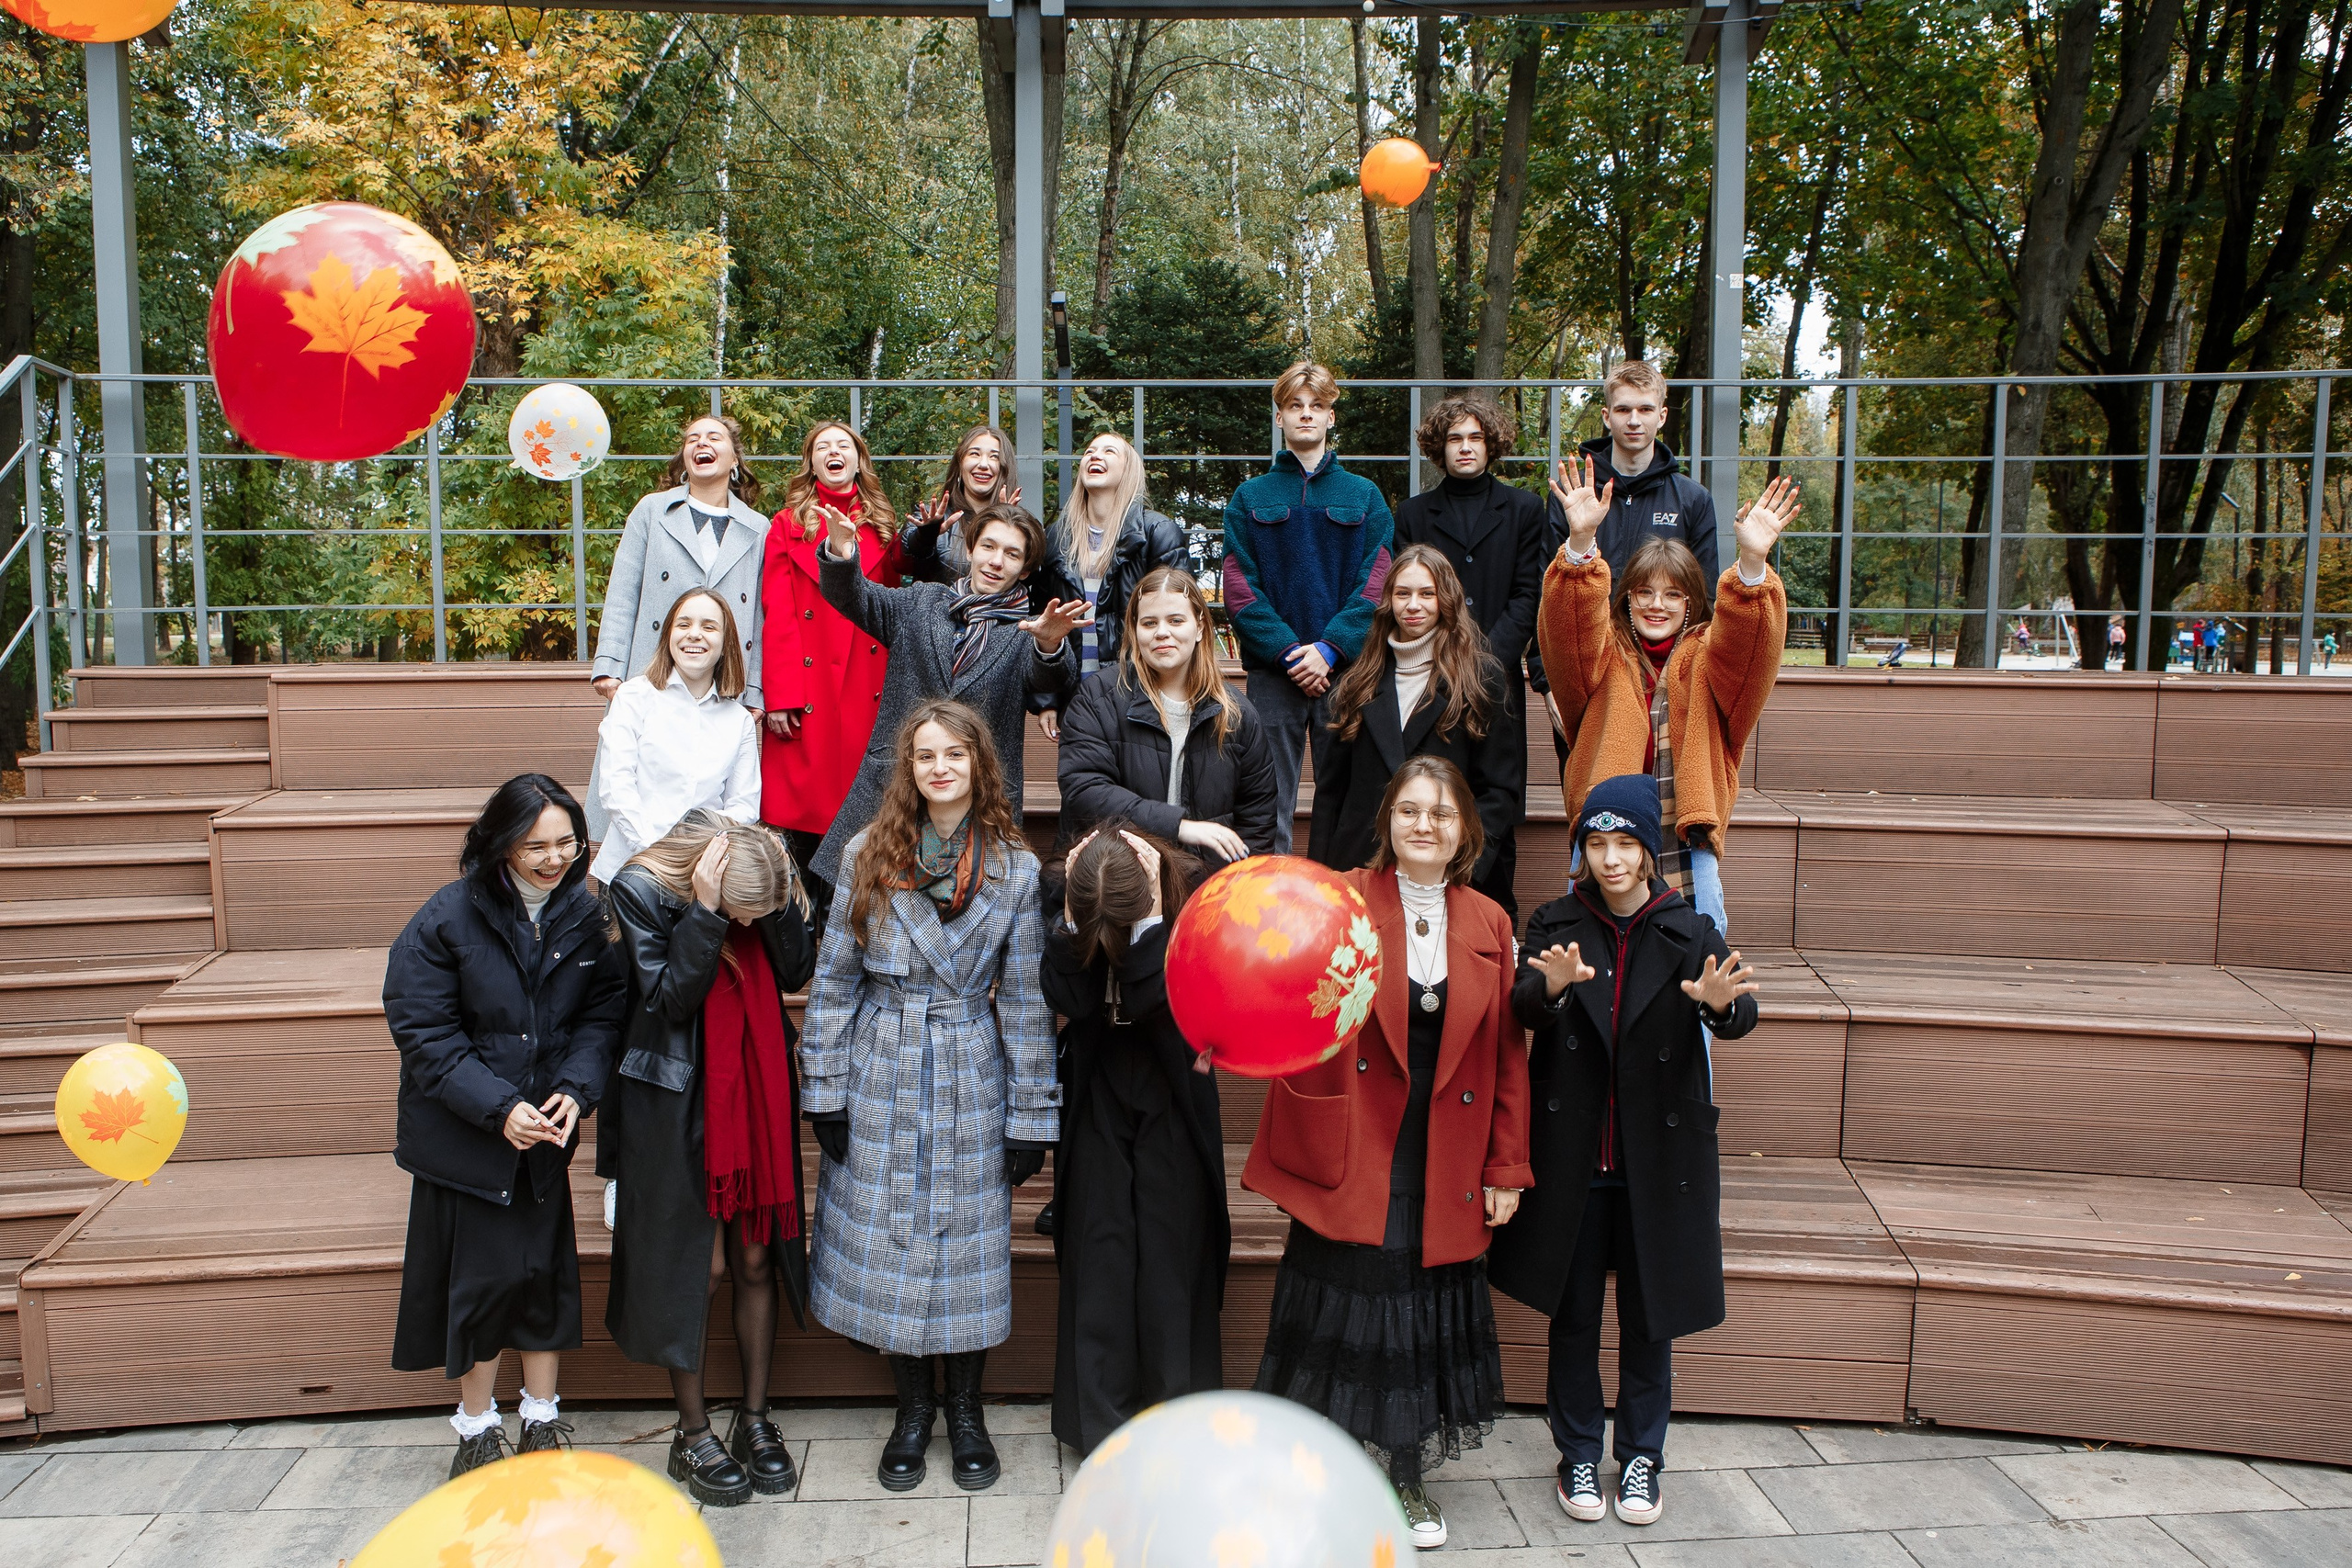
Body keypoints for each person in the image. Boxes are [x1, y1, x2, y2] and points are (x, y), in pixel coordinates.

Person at [1244, 754, 1532, 1551]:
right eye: (1409, 810)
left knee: (1413, 1314)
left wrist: (1506, 1168)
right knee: (1340, 1305)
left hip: (1444, 1153)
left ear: (1464, 829)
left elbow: (1509, 1053)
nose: (1424, 825)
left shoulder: (1491, 922)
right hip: (1356, 1140)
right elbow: (1292, 1007)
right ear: (1387, 822)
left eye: (1441, 813)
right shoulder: (1342, 899)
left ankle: (1402, 1475)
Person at [1489, 773, 1760, 1530]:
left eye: (1625, 844)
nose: (1610, 860)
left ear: (1649, 851)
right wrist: (1546, 992)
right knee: (1573, 1316)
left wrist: (1721, 1008)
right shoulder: (1554, 921)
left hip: (1657, 1165)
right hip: (1576, 1162)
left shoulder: (1688, 928)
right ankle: (1578, 1448)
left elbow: (1741, 1006)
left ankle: (1641, 1454)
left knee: (1650, 1320)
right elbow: (1521, 1004)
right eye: (1596, 844)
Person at [801, 700, 1058, 1494]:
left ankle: (968, 1411)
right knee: (894, 1244)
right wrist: (824, 1090)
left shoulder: (1014, 868)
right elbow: (836, 983)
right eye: (924, 756)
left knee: (968, 1246)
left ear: (980, 764)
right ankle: (913, 1411)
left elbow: (1021, 999)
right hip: (882, 1062)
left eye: (954, 753)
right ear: (907, 770)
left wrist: (1031, 1113)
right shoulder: (867, 855)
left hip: (969, 1066)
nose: (939, 766)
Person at [387, 774, 627, 1478]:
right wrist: (498, 1108)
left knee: (544, 1277)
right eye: (536, 847)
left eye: (567, 843)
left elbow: (602, 1015)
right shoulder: (447, 918)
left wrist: (576, 1092)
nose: (555, 859)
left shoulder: (584, 916)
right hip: (469, 1140)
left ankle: (542, 1417)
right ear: (500, 844)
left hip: (545, 1133)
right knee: (481, 1284)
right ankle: (476, 1426)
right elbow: (424, 1029)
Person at [604, 814, 815, 1506]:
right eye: (739, 915)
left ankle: (754, 1418)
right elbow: (667, 999)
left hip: (755, 1085)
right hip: (675, 1098)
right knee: (704, 1266)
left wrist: (775, 903)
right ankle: (691, 1432)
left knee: (756, 1257)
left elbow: (795, 969)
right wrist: (703, 912)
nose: (744, 926)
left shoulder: (767, 879)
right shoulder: (640, 887)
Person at [1540, 458, 1801, 934]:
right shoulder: (1604, 653)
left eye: (1672, 595)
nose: (1656, 604)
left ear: (1690, 603)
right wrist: (1579, 546)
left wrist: (1751, 566)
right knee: (1596, 955)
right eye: (1643, 592)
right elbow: (1568, 634)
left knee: (1691, 962)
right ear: (1627, 598)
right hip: (1604, 830)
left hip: (1686, 831)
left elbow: (1748, 653)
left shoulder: (1709, 658)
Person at [1040, 824, 1228, 1457]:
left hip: (1172, 1082)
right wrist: (1070, 920)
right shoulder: (1066, 888)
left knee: (1171, 1248)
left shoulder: (1195, 891)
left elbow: (1156, 996)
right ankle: (1101, 1420)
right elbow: (1070, 996)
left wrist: (1151, 918)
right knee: (1102, 1247)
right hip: (1099, 1080)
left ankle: (1175, 1411)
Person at [808, 500, 1086, 888]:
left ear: (1024, 569)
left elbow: (1049, 679)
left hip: (978, 803)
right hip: (894, 787)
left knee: (965, 919)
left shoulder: (1027, 631)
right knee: (871, 915)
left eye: (1011, 554)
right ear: (970, 549)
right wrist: (841, 550)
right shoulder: (921, 602)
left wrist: (1051, 645)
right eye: (988, 547)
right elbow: (854, 597)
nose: (995, 561)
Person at [1221, 360, 1396, 853]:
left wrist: (1332, 649)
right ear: (1279, 417)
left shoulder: (1364, 495)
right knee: (1265, 798)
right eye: (1294, 406)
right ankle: (1270, 904)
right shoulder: (1248, 496)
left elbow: (1377, 583)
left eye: (1316, 406)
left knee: (1345, 797)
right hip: (1275, 676)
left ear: (1331, 417)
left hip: (1346, 674)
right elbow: (1238, 587)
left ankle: (1335, 899)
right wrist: (1293, 654)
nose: (1305, 415)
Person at [1393, 393, 1548, 912]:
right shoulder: (1414, 513)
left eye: (1475, 437)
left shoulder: (1525, 510)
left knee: (1495, 807)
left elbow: (1530, 593)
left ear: (1492, 444)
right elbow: (1409, 592)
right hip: (1431, 678)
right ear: (1440, 447)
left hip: (1495, 677)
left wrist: (1485, 663)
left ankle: (1494, 934)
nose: (1465, 448)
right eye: (1454, 438)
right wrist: (1446, 660)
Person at [1309, 546, 1522, 913]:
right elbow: (1331, 791)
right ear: (1388, 601)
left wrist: (1465, 864)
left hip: (1446, 870)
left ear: (1447, 600)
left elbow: (1499, 791)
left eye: (1427, 593)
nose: (1413, 605)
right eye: (1402, 593)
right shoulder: (1357, 680)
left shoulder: (1480, 678)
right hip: (1363, 866)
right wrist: (1320, 877)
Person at [588, 414, 768, 836]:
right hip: (651, 672)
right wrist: (611, 664)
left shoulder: (759, 528)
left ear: (735, 458)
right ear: (684, 458)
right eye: (692, 439)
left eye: (713, 437)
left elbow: (760, 616)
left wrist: (754, 687)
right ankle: (626, 888)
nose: (701, 444)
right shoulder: (652, 510)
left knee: (704, 779)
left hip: (720, 680)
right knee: (633, 781)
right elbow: (623, 589)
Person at [760, 421, 905, 925]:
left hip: (869, 684)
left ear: (860, 460)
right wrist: (779, 693)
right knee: (808, 805)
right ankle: (806, 926)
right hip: (810, 684)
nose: (833, 452)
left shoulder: (885, 524)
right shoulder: (785, 524)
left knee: (866, 799)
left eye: (843, 445)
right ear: (812, 463)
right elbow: (777, 610)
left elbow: (897, 604)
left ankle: (858, 920)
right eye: (822, 447)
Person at [1055, 565, 1281, 865]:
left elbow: (1258, 823)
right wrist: (1179, 826)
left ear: (1200, 627)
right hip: (1116, 884)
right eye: (1149, 623)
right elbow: (1084, 790)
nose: (1163, 633)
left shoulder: (1237, 715)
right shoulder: (1097, 699)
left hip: (1204, 887)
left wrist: (1233, 895)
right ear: (1134, 631)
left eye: (1176, 620)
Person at [589, 589, 760, 886]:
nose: (694, 634)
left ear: (725, 643)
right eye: (683, 624)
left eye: (709, 627)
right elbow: (616, 787)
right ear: (669, 635)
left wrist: (700, 859)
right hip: (633, 871)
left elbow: (743, 807)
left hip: (700, 878)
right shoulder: (633, 697)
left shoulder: (739, 721)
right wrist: (656, 856)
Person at [1545, 362, 1720, 604]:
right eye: (1623, 410)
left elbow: (1705, 596)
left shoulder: (1693, 499)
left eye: (1645, 409)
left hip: (1662, 639)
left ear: (1662, 416)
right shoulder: (1572, 495)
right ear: (1607, 416)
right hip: (1588, 637)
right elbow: (1547, 588)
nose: (1634, 421)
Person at [1045, 433, 1191, 695]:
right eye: (1089, 451)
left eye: (1109, 451)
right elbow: (1044, 620)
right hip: (1075, 696)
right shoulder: (1057, 536)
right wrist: (1049, 699)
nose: (1095, 455)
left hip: (1140, 691)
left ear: (1129, 470)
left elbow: (1177, 619)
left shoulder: (1157, 532)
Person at [903, 423, 1020, 587]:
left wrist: (1008, 527)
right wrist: (924, 538)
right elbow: (901, 563)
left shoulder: (1020, 524)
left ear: (1004, 468)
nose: (984, 464)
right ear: (960, 464)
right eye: (974, 454)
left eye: (994, 457)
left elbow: (1030, 578)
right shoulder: (930, 516)